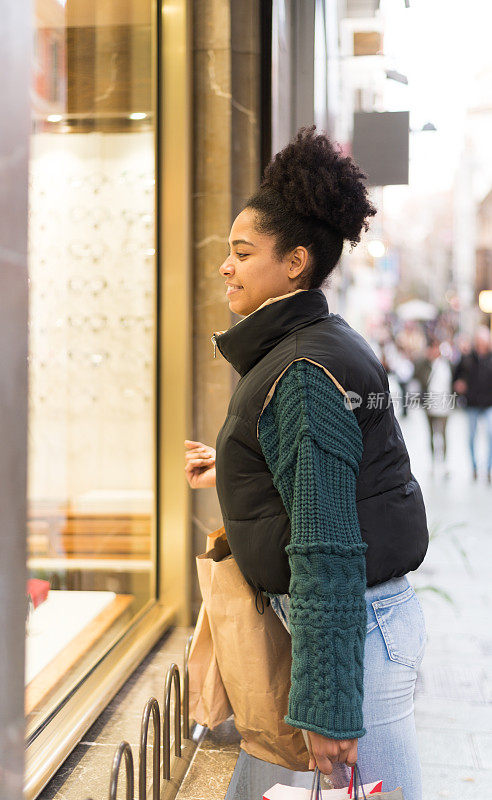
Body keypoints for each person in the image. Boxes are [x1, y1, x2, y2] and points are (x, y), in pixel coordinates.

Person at [184, 127, 429, 800]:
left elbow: (327, 547)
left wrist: (327, 707)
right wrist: (240, 471)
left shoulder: (300, 369)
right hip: (359, 625)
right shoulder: (313, 345)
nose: (226, 267)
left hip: (355, 634)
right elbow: (326, 478)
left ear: (294, 263)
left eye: (241, 253)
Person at [452, 325, 492, 483]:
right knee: (471, 437)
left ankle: (488, 468)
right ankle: (474, 467)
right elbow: (456, 377)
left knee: (490, 435)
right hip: (472, 404)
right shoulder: (467, 358)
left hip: (489, 403)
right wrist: (458, 385)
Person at [414, 340, 454, 478]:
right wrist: (425, 358)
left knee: (443, 434)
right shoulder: (425, 364)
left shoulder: (447, 364)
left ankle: (444, 463)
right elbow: (417, 374)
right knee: (431, 434)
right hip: (429, 404)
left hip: (444, 404)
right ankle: (432, 462)